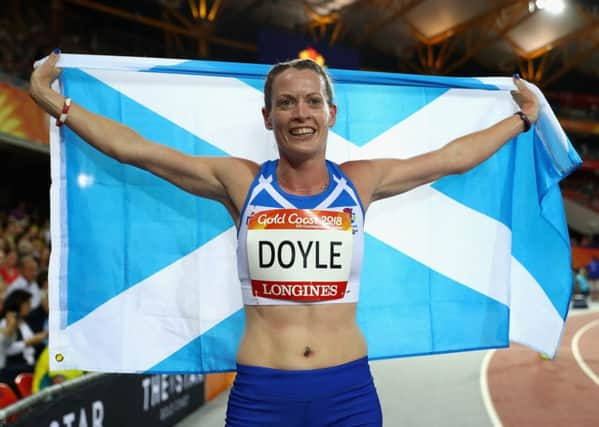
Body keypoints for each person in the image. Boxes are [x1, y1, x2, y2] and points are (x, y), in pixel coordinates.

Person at [30, 50, 539, 426]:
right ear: (267, 116)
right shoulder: (240, 183)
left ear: (331, 113)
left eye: (313, 101)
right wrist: (55, 103)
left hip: (348, 393)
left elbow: (450, 158)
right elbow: (136, 150)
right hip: (262, 396)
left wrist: (520, 120)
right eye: (287, 103)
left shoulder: (360, 181)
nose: (301, 114)